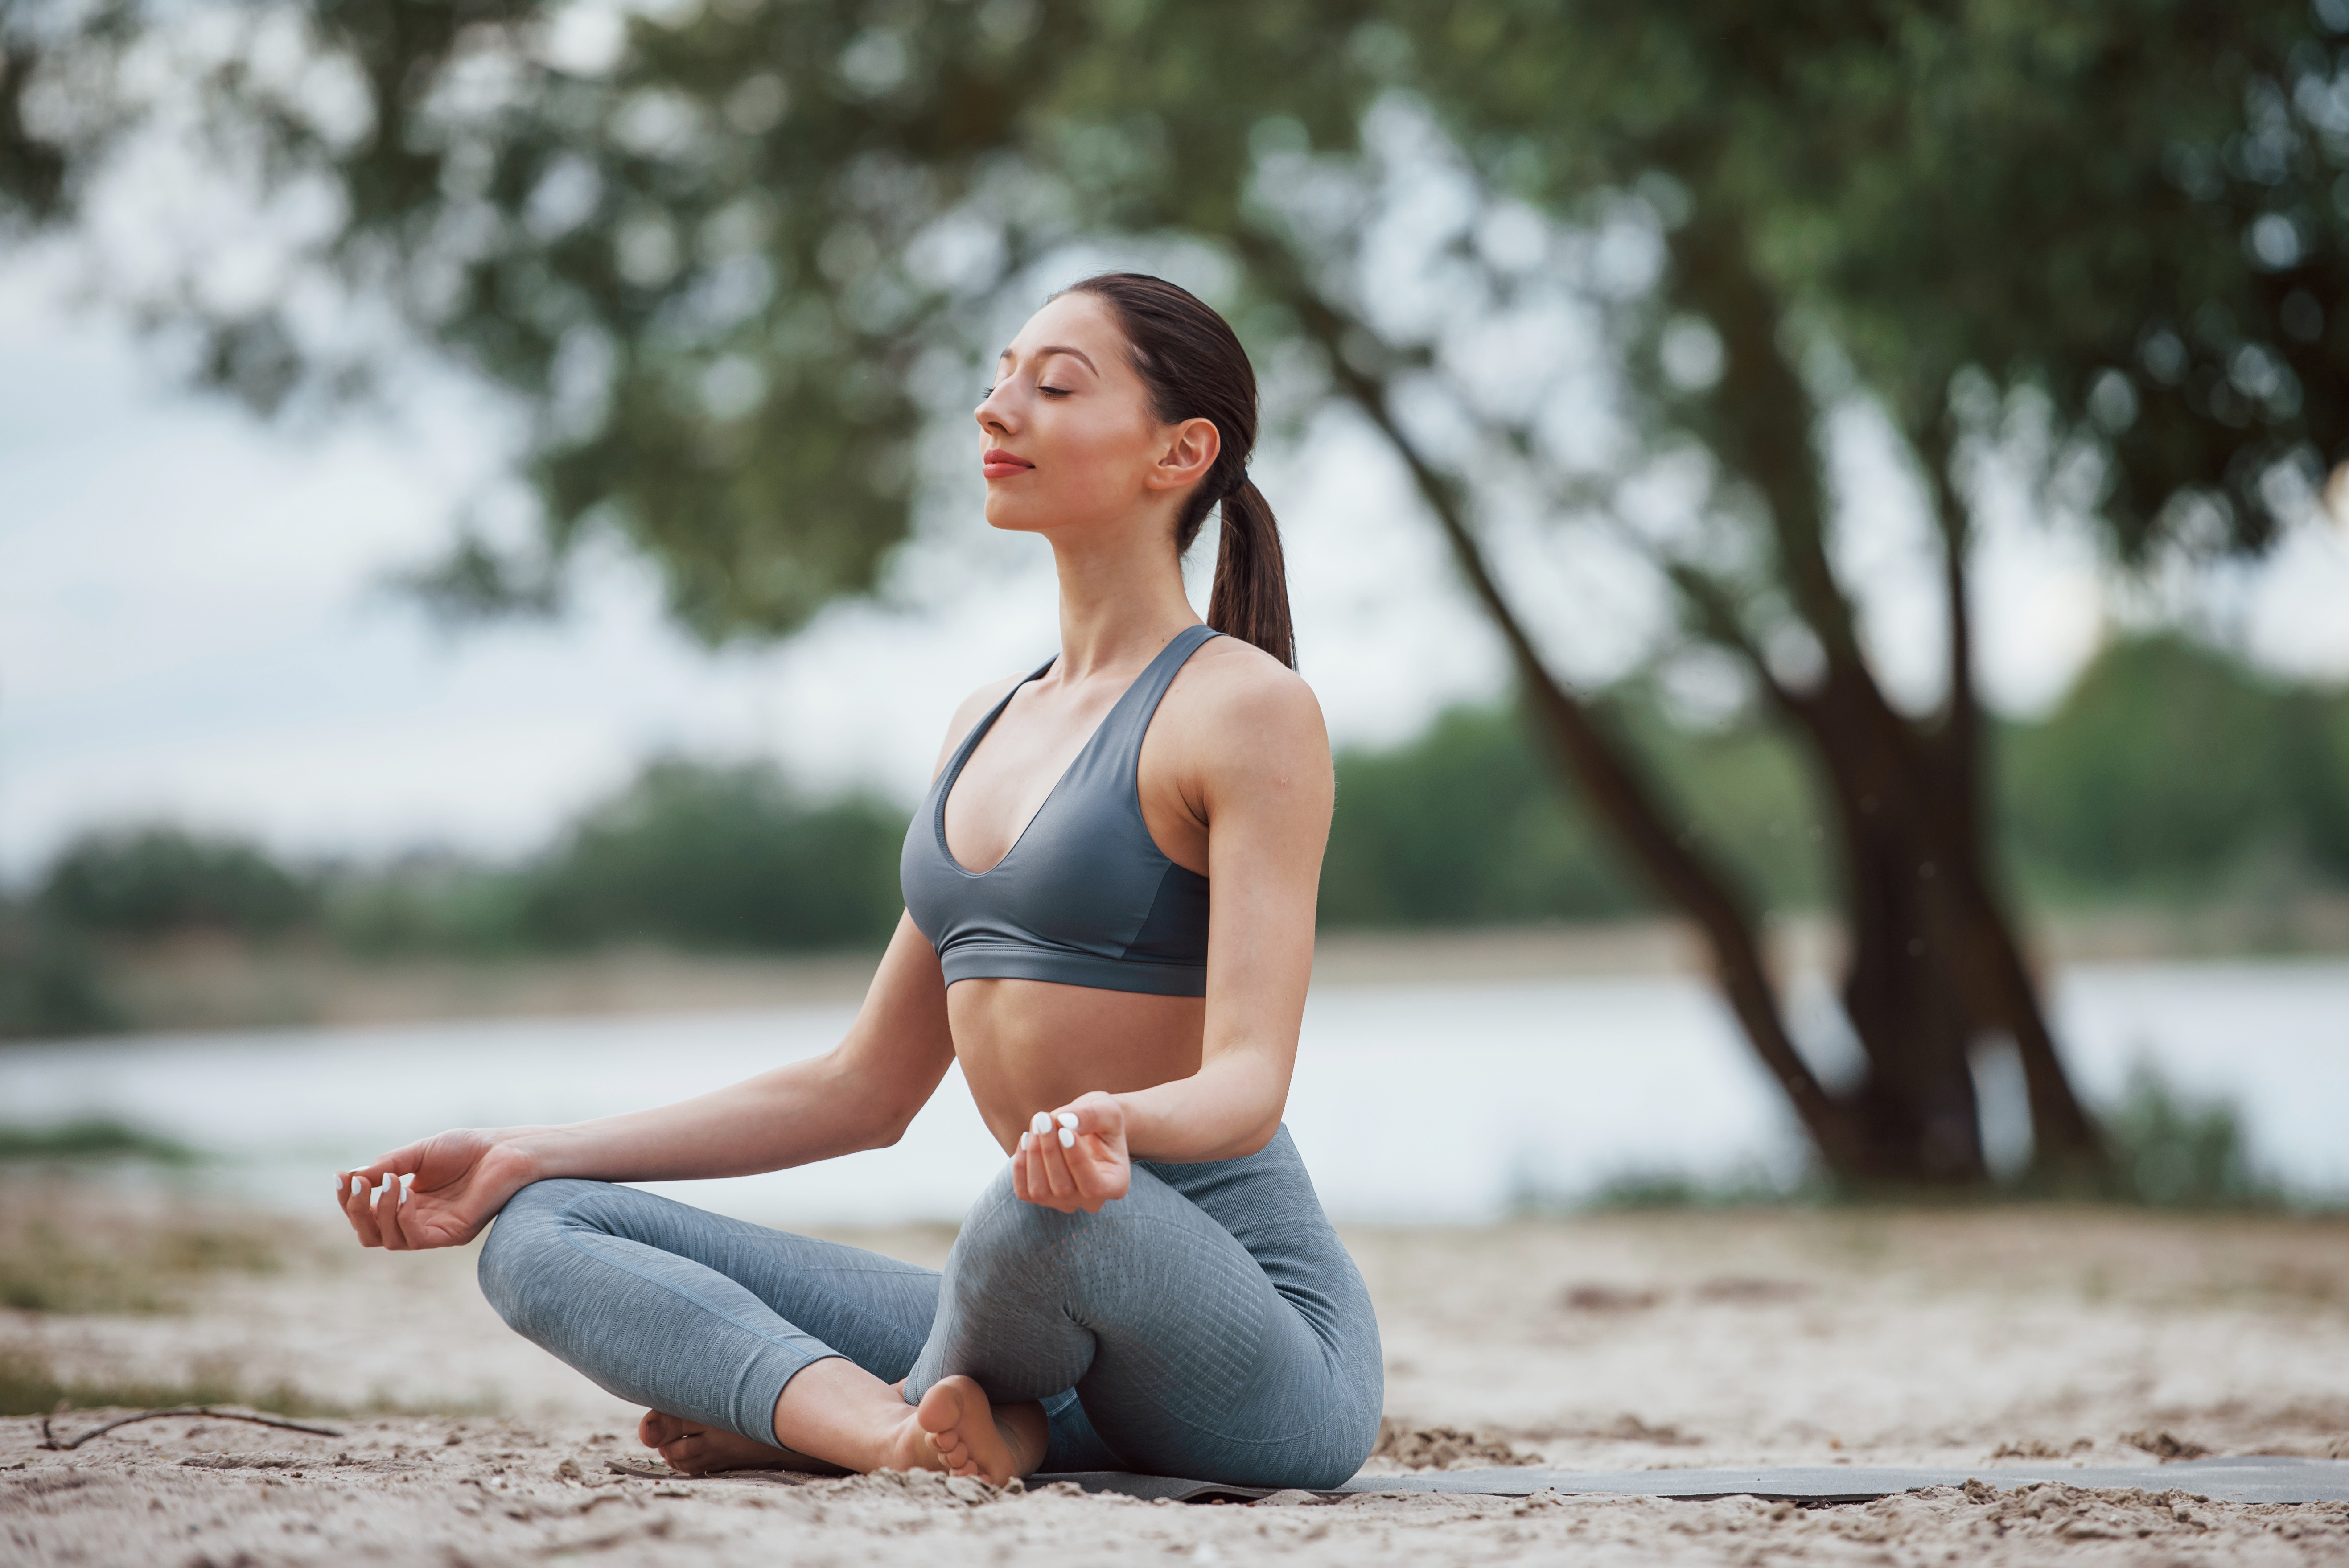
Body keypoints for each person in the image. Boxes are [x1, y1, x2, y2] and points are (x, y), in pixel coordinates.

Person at [332, 273, 1383, 1490]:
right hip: (1040, 1319)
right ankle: (893, 1432)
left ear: (1180, 451)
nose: (997, 411)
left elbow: (1250, 1081)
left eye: (1053, 386)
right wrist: (525, 1150)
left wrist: (1117, 1127)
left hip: (1260, 1351)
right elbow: (859, 1090)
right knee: (545, 1233)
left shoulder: (1248, 709)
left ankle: (873, 1417)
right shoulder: (983, 724)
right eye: (999, 379)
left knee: (1033, 1213)